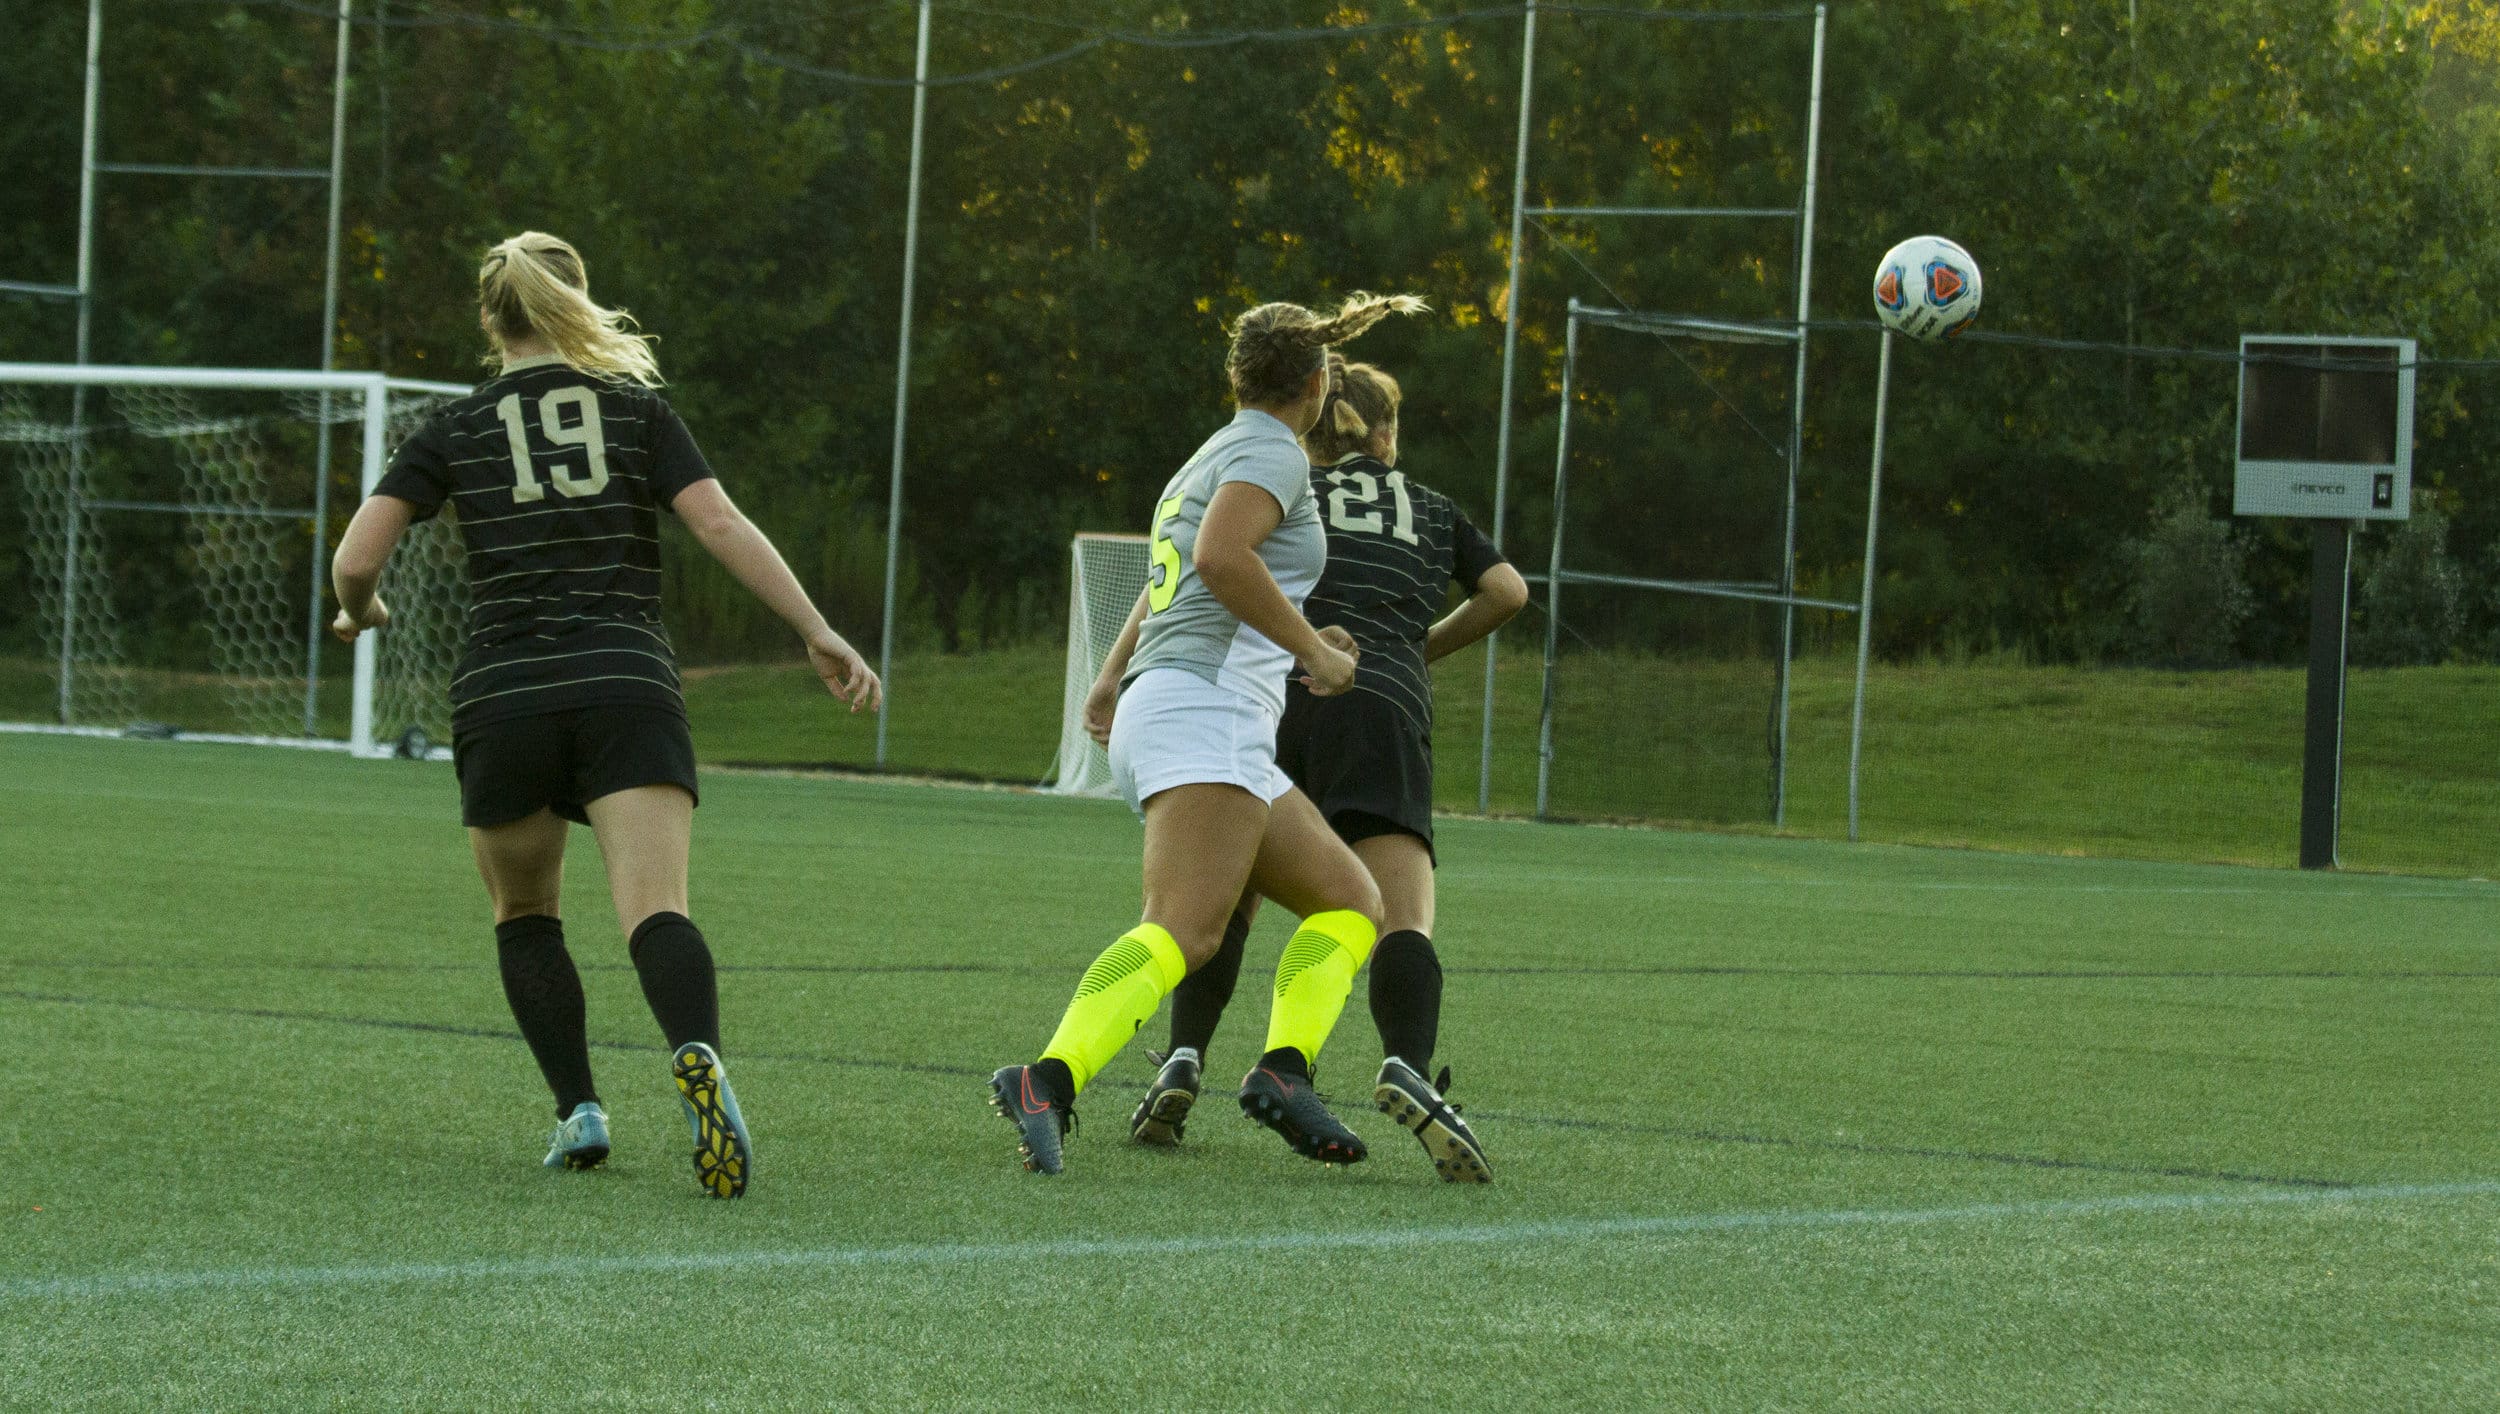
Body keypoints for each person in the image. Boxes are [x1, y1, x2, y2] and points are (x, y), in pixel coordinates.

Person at [329, 231, 880, 1199]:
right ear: (576, 303)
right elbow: (718, 523)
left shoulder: (452, 429)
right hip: (624, 679)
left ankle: (578, 1108)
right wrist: (815, 627)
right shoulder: (634, 412)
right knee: (655, 907)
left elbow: (359, 553)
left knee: (526, 911)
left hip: (504, 694)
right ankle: (695, 1053)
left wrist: (358, 607)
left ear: (490, 319)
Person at [990, 293, 1427, 1176]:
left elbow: (1179, 582)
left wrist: (1115, 675)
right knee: (1185, 930)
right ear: (1317, 381)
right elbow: (1223, 560)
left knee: (1351, 902)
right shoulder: (1273, 453)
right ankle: (1046, 1079)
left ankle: (1283, 1072)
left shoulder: (1214, 452)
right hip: (1206, 712)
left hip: (1189, 704)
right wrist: (1313, 650)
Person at [1123, 355, 1526, 1182]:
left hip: (1274, 695)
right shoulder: (1431, 507)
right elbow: (1509, 591)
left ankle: (1183, 1057)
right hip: (1377, 703)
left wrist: (1111, 677)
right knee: (1397, 911)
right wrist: (1417, 648)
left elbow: (1207, 562)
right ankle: (1406, 1064)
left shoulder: (1284, 489)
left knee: (1230, 896)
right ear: (1385, 433)